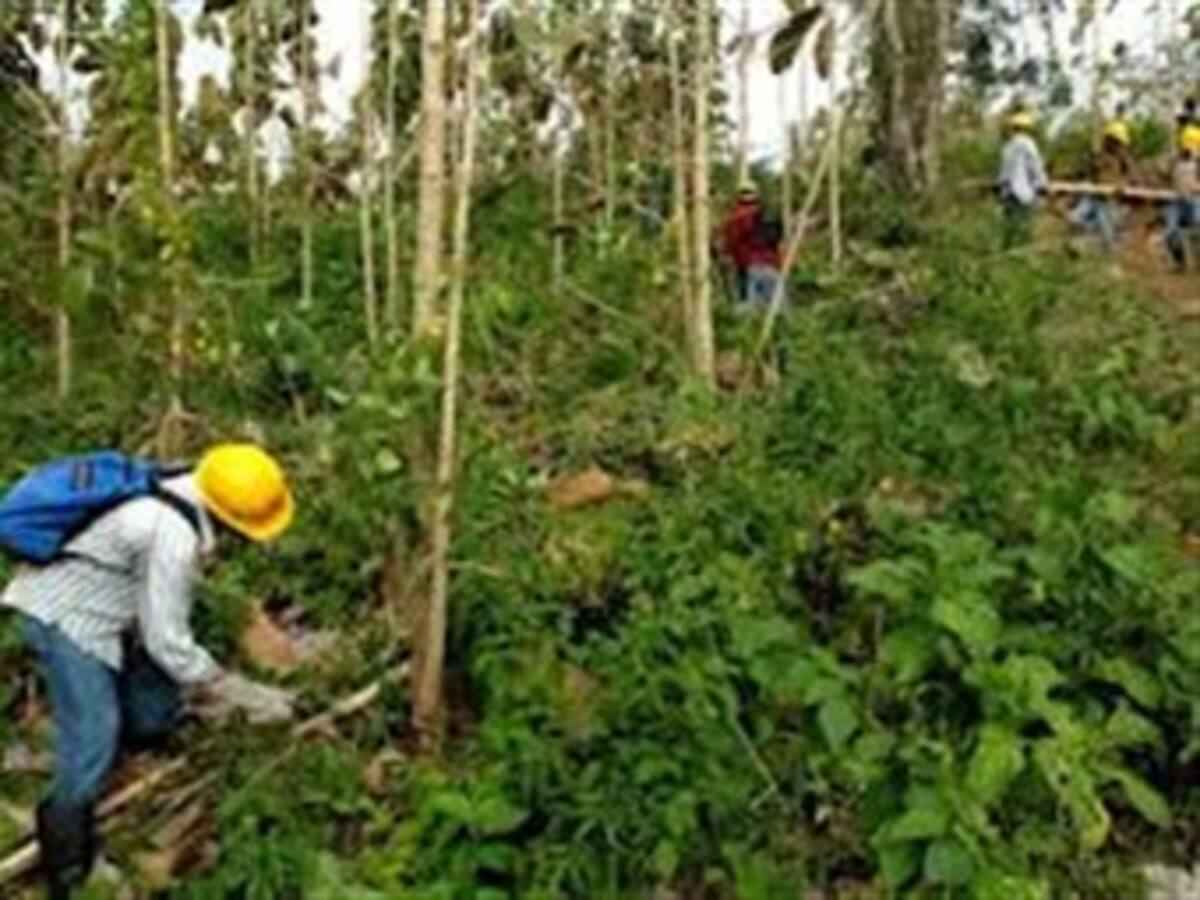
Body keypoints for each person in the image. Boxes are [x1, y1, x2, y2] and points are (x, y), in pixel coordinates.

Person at [1, 444, 297, 898]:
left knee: (155, 710)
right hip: (66, 617)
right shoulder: (171, 535)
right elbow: (167, 642)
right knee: (95, 734)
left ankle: (133, 745)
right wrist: (232, 688)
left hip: (115, 612)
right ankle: (69, 862)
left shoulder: (177, 483)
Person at [1069, 118, 1134, 251]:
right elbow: (1088, 174)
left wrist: (1122, 184)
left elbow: (1129, 175)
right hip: (1094, 197)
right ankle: (1082, 244)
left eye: (1120, 144)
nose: (1119, 147)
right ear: (1110, 140)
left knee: (1107, 232)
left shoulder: (1122, 159)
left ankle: (1102, 255)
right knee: (1075, 219)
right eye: (1117, 143)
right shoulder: (1097, 156)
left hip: (1108, 201)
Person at [721, 177, 784, 312]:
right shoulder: (767, 214)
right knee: (777, 309)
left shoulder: (734, 218)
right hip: (772, 266)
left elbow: (731, 242)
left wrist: (726, 255)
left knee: (747, 309)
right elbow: (779, 239)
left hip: (748, 267)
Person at [997, 111, 1049, 249]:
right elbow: (1035, 166)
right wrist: (1043, 186)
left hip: (1007, 192)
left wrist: (1000, 189)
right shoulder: (1028, 144)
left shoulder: (1007, 146)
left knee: (1009, 229)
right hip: (1023, 192)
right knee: (1024, 228)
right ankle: (1021, 256)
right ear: (1028, 128)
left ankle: (1006, 255)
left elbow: (1003, 172)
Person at [1165, 124, 1200, 271]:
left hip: (1194, 200)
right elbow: (1167, 176)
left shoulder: (1197, 162)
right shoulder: (1175, 161)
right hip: (1178, 200)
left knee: (1197, 230)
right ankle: (1180, 263)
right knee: (1171, 233)